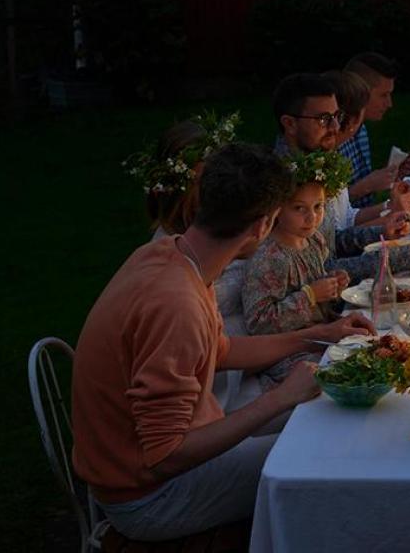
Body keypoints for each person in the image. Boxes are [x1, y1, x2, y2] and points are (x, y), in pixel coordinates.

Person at [72, 143, 376, 542]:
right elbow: (165, 456)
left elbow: (220, 350)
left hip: (165, 456)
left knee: (332, 412)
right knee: (327, 459)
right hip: (148, 498)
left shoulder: (173, 254)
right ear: (262, 227)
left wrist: (320, 334)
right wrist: (281, 397)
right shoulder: (176, 303)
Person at [127, 112, 250, 409]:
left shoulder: (205, 242)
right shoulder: (174, 271)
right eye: (208, 181)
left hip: (239, 370)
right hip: (210, 397)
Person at [272, 73, 410, 281]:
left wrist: (384, 230)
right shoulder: (280, 183)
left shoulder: (313, 165)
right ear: (289, 124)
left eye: (337, 117)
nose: (335, 127)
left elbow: (331, 242)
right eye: (324, 119)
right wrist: (403, 258)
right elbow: (319, 269)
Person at [243, 150, 352, 388]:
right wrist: (310, 295)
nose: (311, 218)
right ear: (277, 209)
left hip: (321, 335)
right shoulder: (270, 258)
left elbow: (316, 293)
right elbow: (259, 323)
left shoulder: (314, 242)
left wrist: (331, 284)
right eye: (299, 208)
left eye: (318, 207)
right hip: (286, 351)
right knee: (335, 378)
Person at [343, 52, 410, 207]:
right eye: (383, 95)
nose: (389, 104)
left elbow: (364, 200)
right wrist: (367, 185)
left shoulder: (361, 131)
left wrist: (388, 177)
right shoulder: (333, 138)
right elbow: (328, 210)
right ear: (360, 91)